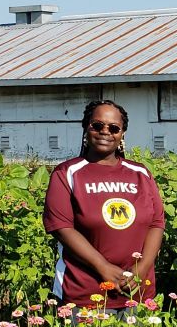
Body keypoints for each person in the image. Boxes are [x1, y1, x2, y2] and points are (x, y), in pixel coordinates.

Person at [43, 100, 165, 314]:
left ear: (122, 134)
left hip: (136, 293)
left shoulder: (140, 173)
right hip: (84, 293)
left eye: (113, 128)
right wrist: (103, 267)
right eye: (97, 125)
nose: (105, 132)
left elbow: (156, 223)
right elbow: (62, 227)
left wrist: (141, 269)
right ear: (86, 127)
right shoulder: (67, 173)